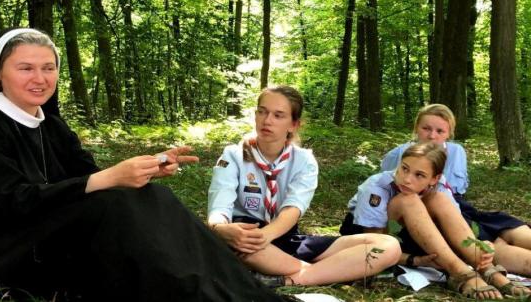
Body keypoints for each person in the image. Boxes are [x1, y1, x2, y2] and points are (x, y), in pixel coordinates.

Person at [0, 28, 290, 302]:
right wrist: (110, 178)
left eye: (49, 68)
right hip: (12, 250)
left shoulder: (53, 126)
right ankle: (196, 291)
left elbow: (87, 177)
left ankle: (235, 288)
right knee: (118, 204)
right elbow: (14, 201)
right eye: (25, 68)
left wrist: (149, 166)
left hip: (60, 232)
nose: (40, 79)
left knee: (154, 196)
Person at [207, 86, 401, 287]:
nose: (267, 120)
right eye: (262, 111)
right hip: (246, 236)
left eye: (278, 115)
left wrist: (265, 236)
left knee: (388, 246)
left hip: (283, 237)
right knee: (241, 247)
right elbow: (220, 204)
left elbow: (293, 209)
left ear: (294, 124)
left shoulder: (304, 160)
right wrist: (221, 229)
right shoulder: (233, 155)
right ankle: (331, 272)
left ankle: (293, 278)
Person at [376, 103, 531, 296]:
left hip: (455, 205)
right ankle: (483, 267)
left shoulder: (456, 152)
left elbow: (454, 193)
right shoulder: (399, 155)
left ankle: (489, 256)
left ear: (449, 133)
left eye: (440, 131)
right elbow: (391, 190)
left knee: (506, 227)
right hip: (420, 205)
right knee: (490, 243)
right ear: (416, 128)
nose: (432, 136)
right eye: (426, 129)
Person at [340, 142, 510, 299]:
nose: (407, 179)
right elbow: (373, 246)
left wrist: (481, 249)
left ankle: (486, 269)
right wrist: (412, 260)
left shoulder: (439, 186)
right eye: (404, 168)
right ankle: (460, 273)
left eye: (419, 175)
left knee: (438, 199)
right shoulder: (376, 187)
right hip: (371, 238)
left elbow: (455, 227)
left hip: (411, 236)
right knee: (408, 200)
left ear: (434, 178)